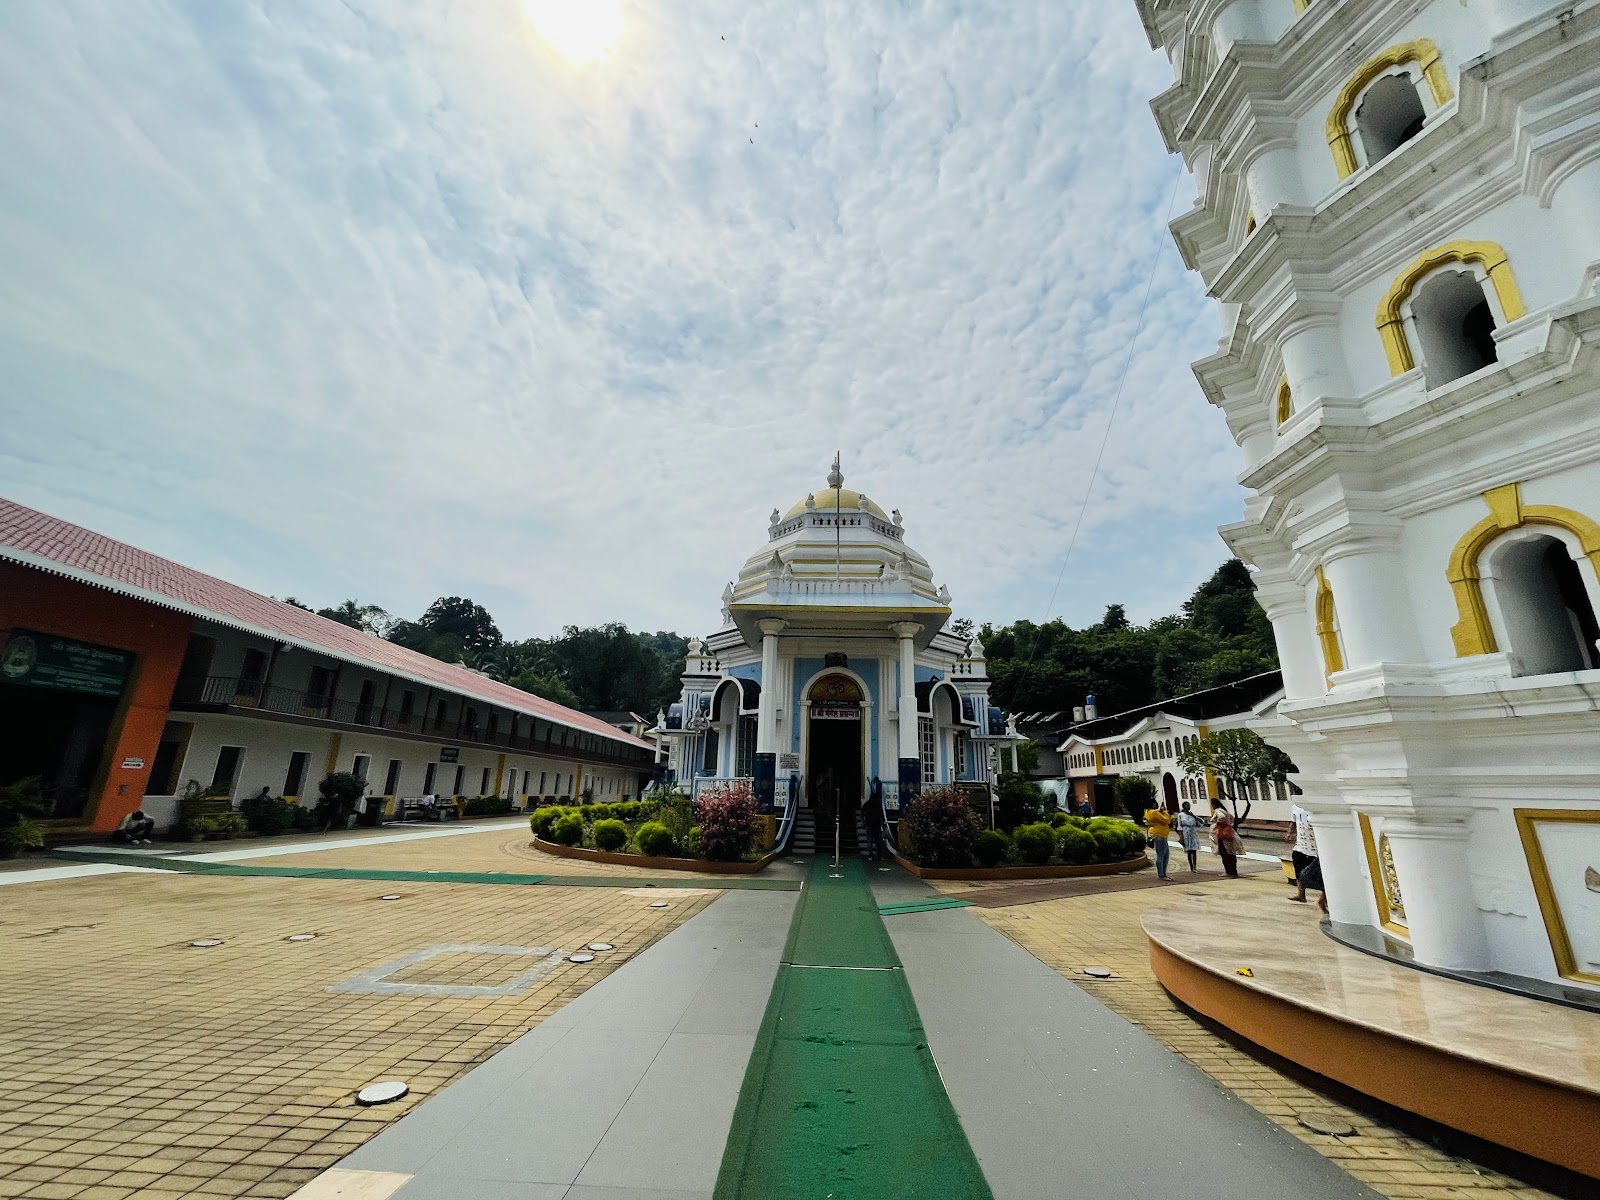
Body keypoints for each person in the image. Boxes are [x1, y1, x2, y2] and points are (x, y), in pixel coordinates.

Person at [1287, 803, 1328, 912]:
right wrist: (1290, 832)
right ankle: (1301, 895)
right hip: (1301, 844)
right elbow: (1293, 821)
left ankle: (1324, 898)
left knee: (1322, 874)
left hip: (1316, 847)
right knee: (1298, 867)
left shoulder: (1315, 806)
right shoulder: (1295, 807)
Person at [1144, 804, 1173, 879]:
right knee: (1161, 855)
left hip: (1159, 834)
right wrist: (1164, 812)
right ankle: (1161, 874)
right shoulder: (1154, 812)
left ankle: (1163, 873)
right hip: (1159, 835)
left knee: (1166, 855)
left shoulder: (1148, 812)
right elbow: (1166, 820)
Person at [1212, 810, 1242, 878]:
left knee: (1224, 854)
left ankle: (1228, 871)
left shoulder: (1218, 810)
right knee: (1231, 853)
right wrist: (1230, 823)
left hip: (1223, 834)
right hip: (1229, 833)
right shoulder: (1226, 812)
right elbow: (1232, 818)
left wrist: (1216, 822)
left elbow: (1221, 817)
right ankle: (1234, 871)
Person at [1176, 801, 1205, 872]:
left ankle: (1195, 867)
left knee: (1194, 850)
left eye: (1189, 805)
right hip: (1186, 832)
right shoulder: (1180, 815)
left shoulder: (1191, 814)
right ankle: (1191, 866)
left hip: (1193, 832)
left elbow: (1201, 822)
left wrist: (1193, 815)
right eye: (1187, 805)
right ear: (1184, 807)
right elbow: (1179, 826)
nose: (1188, 807)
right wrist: (1181, 836)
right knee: (1189, 851)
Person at [862, 776, 885, 860]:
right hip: (877, 825)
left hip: (869, 824)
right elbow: (881, 814)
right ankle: (880, 855)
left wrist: (863, 819)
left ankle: (870, 855)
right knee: (878, 840)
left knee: (870, 840)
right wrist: (883, 823)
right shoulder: (878, 804)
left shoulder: (867, 804)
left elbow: (862, 810)